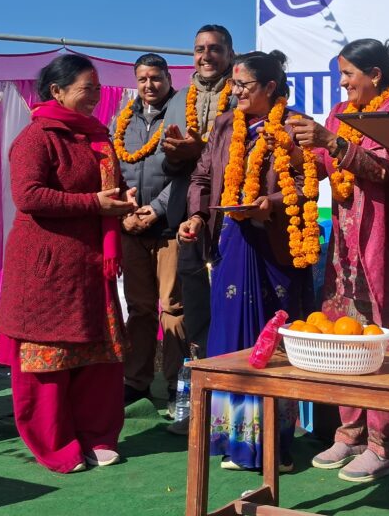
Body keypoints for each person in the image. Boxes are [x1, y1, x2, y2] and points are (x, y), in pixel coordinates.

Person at [289, 38, 389, 483]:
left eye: (348, 74)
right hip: (345, 244)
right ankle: (349, 434)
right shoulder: (338, 114)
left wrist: (333, 142)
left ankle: (385, 444)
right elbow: (322, 168)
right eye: (341, 75)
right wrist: (295, 147)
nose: (343, 83)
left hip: (386, 242)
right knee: (344, 333)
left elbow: (388, 170)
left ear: (375, 75)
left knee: (386, 335)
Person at [0, 54, 137, 474]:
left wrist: (125, 200)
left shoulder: (96, 135)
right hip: (47, 266)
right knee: (48, 359)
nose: (95, 96)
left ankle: (97, 435)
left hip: (91, 264)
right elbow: (28, 196)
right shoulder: (36, 137)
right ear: (56, 91)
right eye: (86, 88)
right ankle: (55, 443)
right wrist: (94, 204)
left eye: (97, 89)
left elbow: (110, 187)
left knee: (98, 353)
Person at [178, 50, 316, 472]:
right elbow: (202, 176)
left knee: (271, 343)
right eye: (233, 85)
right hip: (232, 241)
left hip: (277, 245)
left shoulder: (295, 126)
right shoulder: (225, 125)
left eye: (243, 85)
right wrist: (197, 216)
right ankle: (234, 443)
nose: (235, 91)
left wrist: (270, 202)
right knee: (230, 339)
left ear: (270, 87)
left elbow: (308, 182)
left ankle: (276, 447)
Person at [112, 53, 188, 408]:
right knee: (139, 308)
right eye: (142, 79)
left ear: (168, 78)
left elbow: (188, 171)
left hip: (169, 226)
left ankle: (176, 385)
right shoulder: (123, 120)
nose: (149, 85)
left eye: (156, 78)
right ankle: (136, 381)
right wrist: (124, 211)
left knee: (173, 307)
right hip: (131, 228)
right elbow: (113, 170)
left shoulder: (181, 114)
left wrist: (156, 210)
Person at [162, 25, 236, 362]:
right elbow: (165, 162)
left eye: (214, 49)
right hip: (187, 210)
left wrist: (200, 150)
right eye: (199, 49)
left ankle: (228, 361)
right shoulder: (179, 98)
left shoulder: (240, 93)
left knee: (228, 289)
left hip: (229, 208)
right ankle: (199, 362)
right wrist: (179, 155)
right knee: (192, 290)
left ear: (230, 54)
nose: (206, 56)